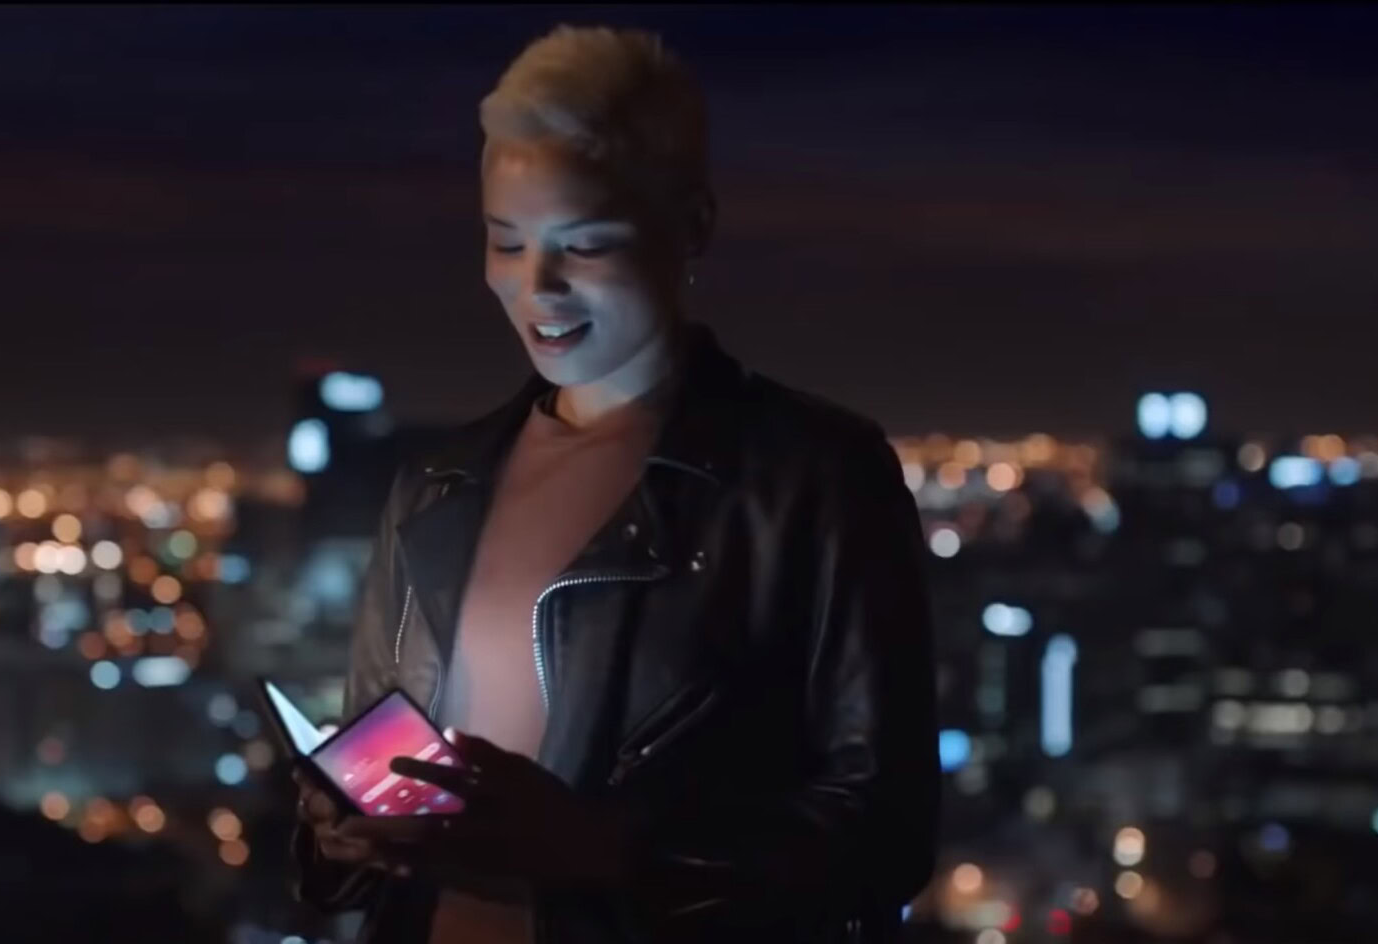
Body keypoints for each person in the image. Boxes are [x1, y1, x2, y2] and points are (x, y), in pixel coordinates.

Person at [291, 23, 938, 944]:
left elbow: (885, 833)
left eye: (584, 245)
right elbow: (370, 766)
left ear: (693, 227)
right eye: (505, 243)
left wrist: (604, 850)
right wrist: (335, 828)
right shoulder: (435, 485)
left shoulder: (812, 479)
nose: (537, 288)